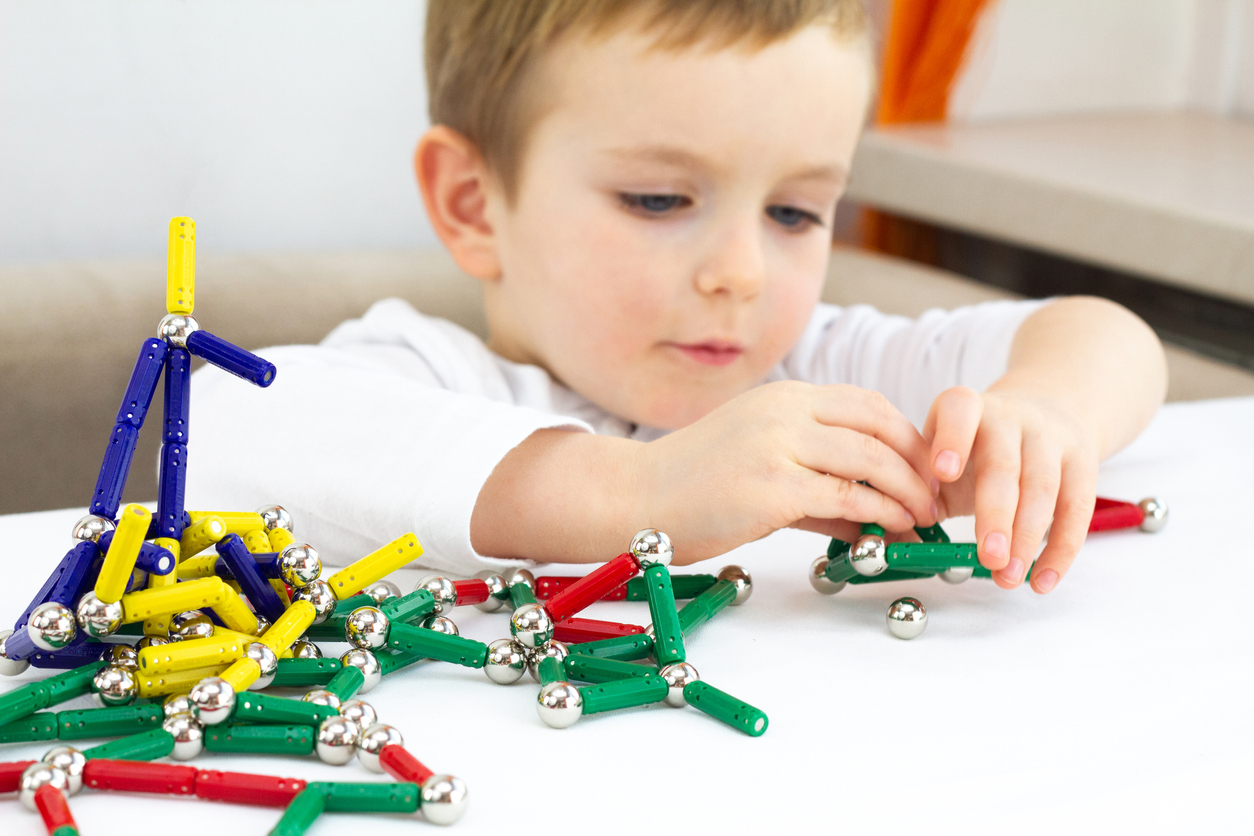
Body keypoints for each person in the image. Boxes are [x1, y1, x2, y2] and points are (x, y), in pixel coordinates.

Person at [189, 0, 1166, 595]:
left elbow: (1107, 337)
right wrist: (644, 492)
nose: (740, 271)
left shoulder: (820, 364)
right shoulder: (432, 375)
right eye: (659, 198)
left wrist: (1041, 413)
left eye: (793, 211)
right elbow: (230, 431)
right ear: (473, 203)